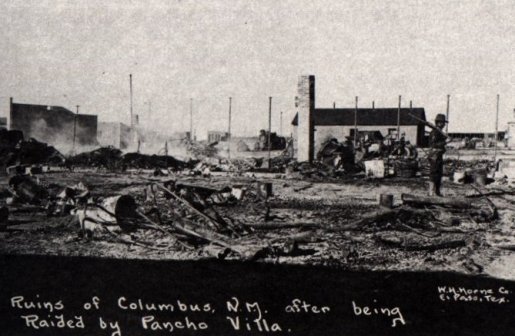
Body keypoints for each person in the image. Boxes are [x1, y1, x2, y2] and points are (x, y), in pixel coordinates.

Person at [428, 114, 448, 196]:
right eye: (441, 122)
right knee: (434, 173)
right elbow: (433, 144)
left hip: (439, 155)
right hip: (434, 155)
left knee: (439, 174)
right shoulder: (434, 132)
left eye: (443, 122)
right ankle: (431, 192)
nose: (443, 124)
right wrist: (445, 142)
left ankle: (437, 191)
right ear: (438, 123)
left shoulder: (440, 132)